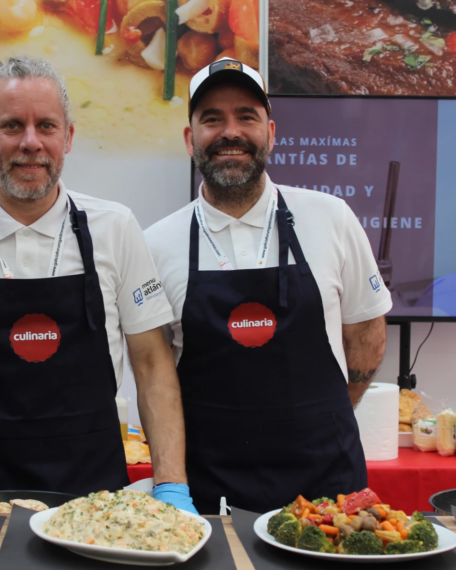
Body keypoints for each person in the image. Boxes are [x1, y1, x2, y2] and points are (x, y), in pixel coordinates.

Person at [0, 55, 194, 511]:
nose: (31, 143)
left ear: (68, 137)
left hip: (96, 502)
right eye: (13, 126)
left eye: (47, 126)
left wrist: (172, 483)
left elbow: (152, 363)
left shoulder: (115, 228)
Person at [144, 58, 391, 514]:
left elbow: (367, 335)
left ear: (272, 133)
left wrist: (317, 418)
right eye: (211, 119)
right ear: (189, 139)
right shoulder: (155, 245)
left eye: (246, 116)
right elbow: (155, 374)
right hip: (210, 493)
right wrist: (172, 486)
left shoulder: (331, 218)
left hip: (327, 491)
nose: (230, 132)